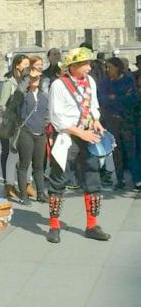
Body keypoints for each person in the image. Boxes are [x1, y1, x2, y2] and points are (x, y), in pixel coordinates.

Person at [46, 47, 110, 244]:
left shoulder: (90, 81)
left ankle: (92, 225)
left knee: (92, 178)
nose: (90, 68)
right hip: (67, 137)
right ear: (73, 66)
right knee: (59, 180)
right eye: (85, 64)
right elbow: (56, 117)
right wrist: (80, 132)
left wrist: (96, 121)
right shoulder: (58, 85)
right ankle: (54, 226)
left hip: (87, 135)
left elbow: (93, 105)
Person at [98, 57, 139, 190]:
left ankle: (137, 179)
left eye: (110, 67)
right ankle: (119, 179)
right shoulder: (105, 82)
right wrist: (120, 96)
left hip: (126, 119)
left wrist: (115, 97)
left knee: (130, 150)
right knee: (116, 150)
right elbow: (103, 99)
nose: (107, 70)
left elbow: (132, 98)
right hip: (111, 119)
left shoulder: (127, 80)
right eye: (106, 67)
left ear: (117, 67)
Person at [0, 54, 30, 197]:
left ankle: (27, 183)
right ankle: (9, 184)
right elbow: (2, 107)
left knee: (27, 155)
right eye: (25, 64)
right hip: (12, 125)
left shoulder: (27, 81)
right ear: (17, 65)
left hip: (26, 124)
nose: (28, 67)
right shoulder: (8, 83)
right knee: (13, 155)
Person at [16, 72, 49, 205]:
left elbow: (47, 114)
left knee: (39, 166)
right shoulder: (23, 95)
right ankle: (23, 195)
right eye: (32, 78)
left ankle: (41, 193)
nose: (36, 80)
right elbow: (19, 91)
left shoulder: (43, 96)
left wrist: (46, 128)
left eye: (37, 78)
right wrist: (28, 78)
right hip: (26, 132)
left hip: (41, 133)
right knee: (24, 165)